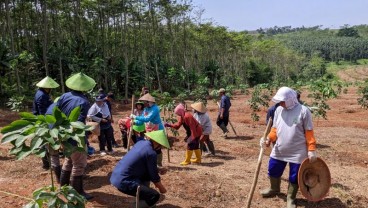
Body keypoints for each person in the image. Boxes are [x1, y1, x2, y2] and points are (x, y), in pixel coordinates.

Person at [260, 87, 317, 208]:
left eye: (283, 101)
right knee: (273, 168)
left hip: (297, 151)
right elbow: (275, 129)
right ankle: (274, 188)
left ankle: (291, 198)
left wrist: (311, 149)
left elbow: (309, 132)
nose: (280, 103)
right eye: (279, 101)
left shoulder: (304, 111)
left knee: (294, 175)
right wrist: (269, 138)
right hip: (280, 148)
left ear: (291, 99)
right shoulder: (279, 110)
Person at [56, 72, 95, 200]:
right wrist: (87, 132)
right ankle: (77, 192)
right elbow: (79, 121)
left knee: (68, 160)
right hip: (76, 136)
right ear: (85, 87)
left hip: (63, 134)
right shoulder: (84, 101)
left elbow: (56, 112)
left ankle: (64, 187)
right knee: (79, 164)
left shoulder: (64, 96)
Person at [110, 130, 169, 208]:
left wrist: (158, 169)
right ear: (157, 143)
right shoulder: (151, 153)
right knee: (154, 196)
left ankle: (143, 201)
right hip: (125, 181)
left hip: (116, 176)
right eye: (161, 145)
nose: (161, 148)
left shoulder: (140, 143)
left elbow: (143, 164)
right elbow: (154, 177)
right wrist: (162, 189)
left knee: (146, 176)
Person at [32, 76, 60, 170]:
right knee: (45, 142)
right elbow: (42, 111)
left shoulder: (41, 93)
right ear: (46, 87)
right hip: (43, 120)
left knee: (45, 142)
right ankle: (46, 165)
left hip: (43, 119)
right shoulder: (42, 95)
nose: (51, 90)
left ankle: (47, 164)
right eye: (50, 88)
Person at [131, 93, 165, 166]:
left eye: (145, 102)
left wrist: (135, 117)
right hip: (149, 130)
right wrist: (134, 122)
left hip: (157, 130)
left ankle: (158, 164)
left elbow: (147, 119)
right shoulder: (146, 109)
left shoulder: (155, 108)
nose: (143, 103)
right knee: (150, 147)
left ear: (149, 102)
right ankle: (151, 163)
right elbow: (141, 121)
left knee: (157, 148)